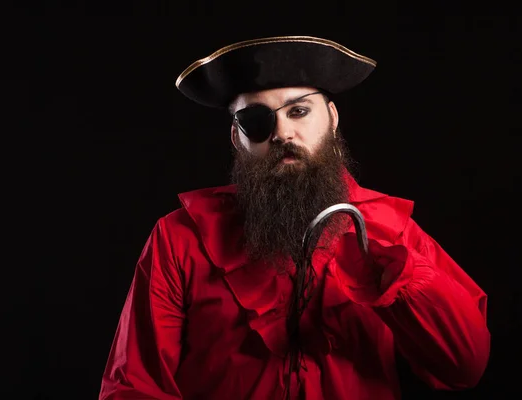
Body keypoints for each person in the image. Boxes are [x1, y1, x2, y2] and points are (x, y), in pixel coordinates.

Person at [98, 35, 490, 400]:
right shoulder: (180, 236)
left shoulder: (390, 227)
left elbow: (463, 367)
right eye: (256, 120)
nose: (283, 132)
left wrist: (400, 279)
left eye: (299, 111)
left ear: (332, 118)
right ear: (237, 138)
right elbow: (134, 385)